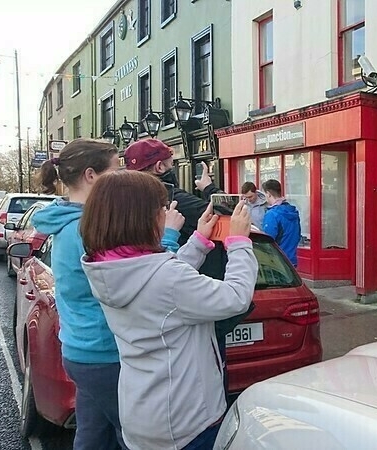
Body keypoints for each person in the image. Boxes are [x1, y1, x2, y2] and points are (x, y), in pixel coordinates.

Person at [80, 170, 257, 450]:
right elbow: (235, 297)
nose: (167, 213)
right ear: (142, 217)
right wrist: (239, 244)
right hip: (184, 421)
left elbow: (160, 278)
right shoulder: (165, 278)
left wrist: (199, 240)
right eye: (161, 207)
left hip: (144, 410)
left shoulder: (107, 265)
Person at [32, 139, 184, 450]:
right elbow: (141, 284)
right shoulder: (88, 228)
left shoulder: (67, 221)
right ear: (91, 175)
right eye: (115, 170)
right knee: (136, 436)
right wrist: (168, 235)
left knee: (93, 434)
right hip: (106, 353)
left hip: (81, 350)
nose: (121, 176)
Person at [124, 138, 252, 399]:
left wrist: (197, 241)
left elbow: (162, 272)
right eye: (171, 161)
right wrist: (209, 190)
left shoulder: (121, 230)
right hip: (197, 304)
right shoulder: (174, 201)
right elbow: (231, 215)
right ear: (160, 166)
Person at [261, 179, 301, 267]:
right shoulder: (293, 211)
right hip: (291, 259)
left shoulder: (272, 214)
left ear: (268, 194)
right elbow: (297, 236)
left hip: (277, 262)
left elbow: (267, 241)